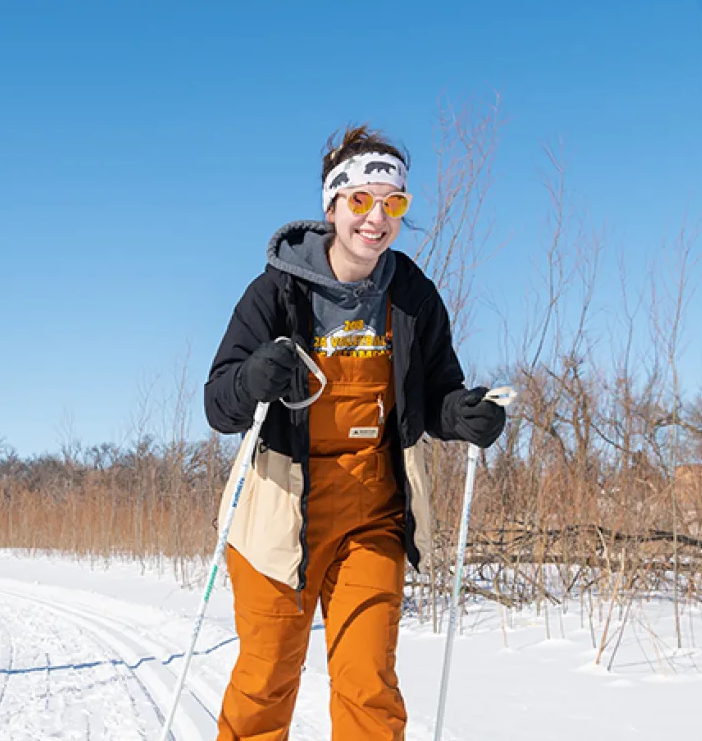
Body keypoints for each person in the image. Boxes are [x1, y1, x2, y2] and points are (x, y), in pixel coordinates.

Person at [203, 125, 506, 740]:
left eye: (394, 203)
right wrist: (254, 377)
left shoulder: (413, 296)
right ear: (332, 205)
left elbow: (436, 393)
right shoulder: (276, 291)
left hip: (374, 515)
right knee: (266, 682)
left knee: (369, 686)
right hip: (279, 518)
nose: (377, 218)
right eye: (361, 200)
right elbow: (219, 402)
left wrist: (465, 414)